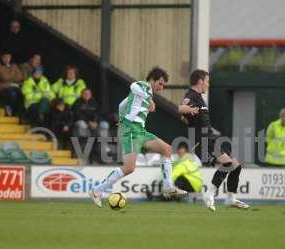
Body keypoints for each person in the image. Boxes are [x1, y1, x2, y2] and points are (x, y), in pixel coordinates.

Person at [90, 67, 187, 207]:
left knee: (166, 149)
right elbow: (133, 85)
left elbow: (121, 105)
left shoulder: (146, 95)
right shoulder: (143, 86)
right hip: (130, 129)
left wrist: (122, 117)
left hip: (139, 131)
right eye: (160, 83)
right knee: (129, 168)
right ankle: (97, 191)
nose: (161, 87)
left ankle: (168, 187)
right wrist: (148, 100)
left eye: (163, 85)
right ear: (152, 80)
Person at [178, 69, 250, 212]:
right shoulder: (191, 95)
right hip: (202, 141)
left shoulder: (198, 97)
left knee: (236, 165)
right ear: (200, 81)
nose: (208, 85)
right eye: (207, 81)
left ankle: (230, 198)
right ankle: (209, 194)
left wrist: (190, 118)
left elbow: (186, 117)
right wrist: (186, 110)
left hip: (211, 138)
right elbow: (181, 108)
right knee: (228, 163)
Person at [0, 50, 23, 116]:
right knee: (12, 93)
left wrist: (10, 78)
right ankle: (8, 106)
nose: (7, 59)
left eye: (9, 57)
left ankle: (17, 113)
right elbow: (4, 77)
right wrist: (13, 70)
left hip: (15, 87)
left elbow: (20, 77)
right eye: (5, 57)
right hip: (3, 87)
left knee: (22, 94)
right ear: (2, 58)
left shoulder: (14, 65)